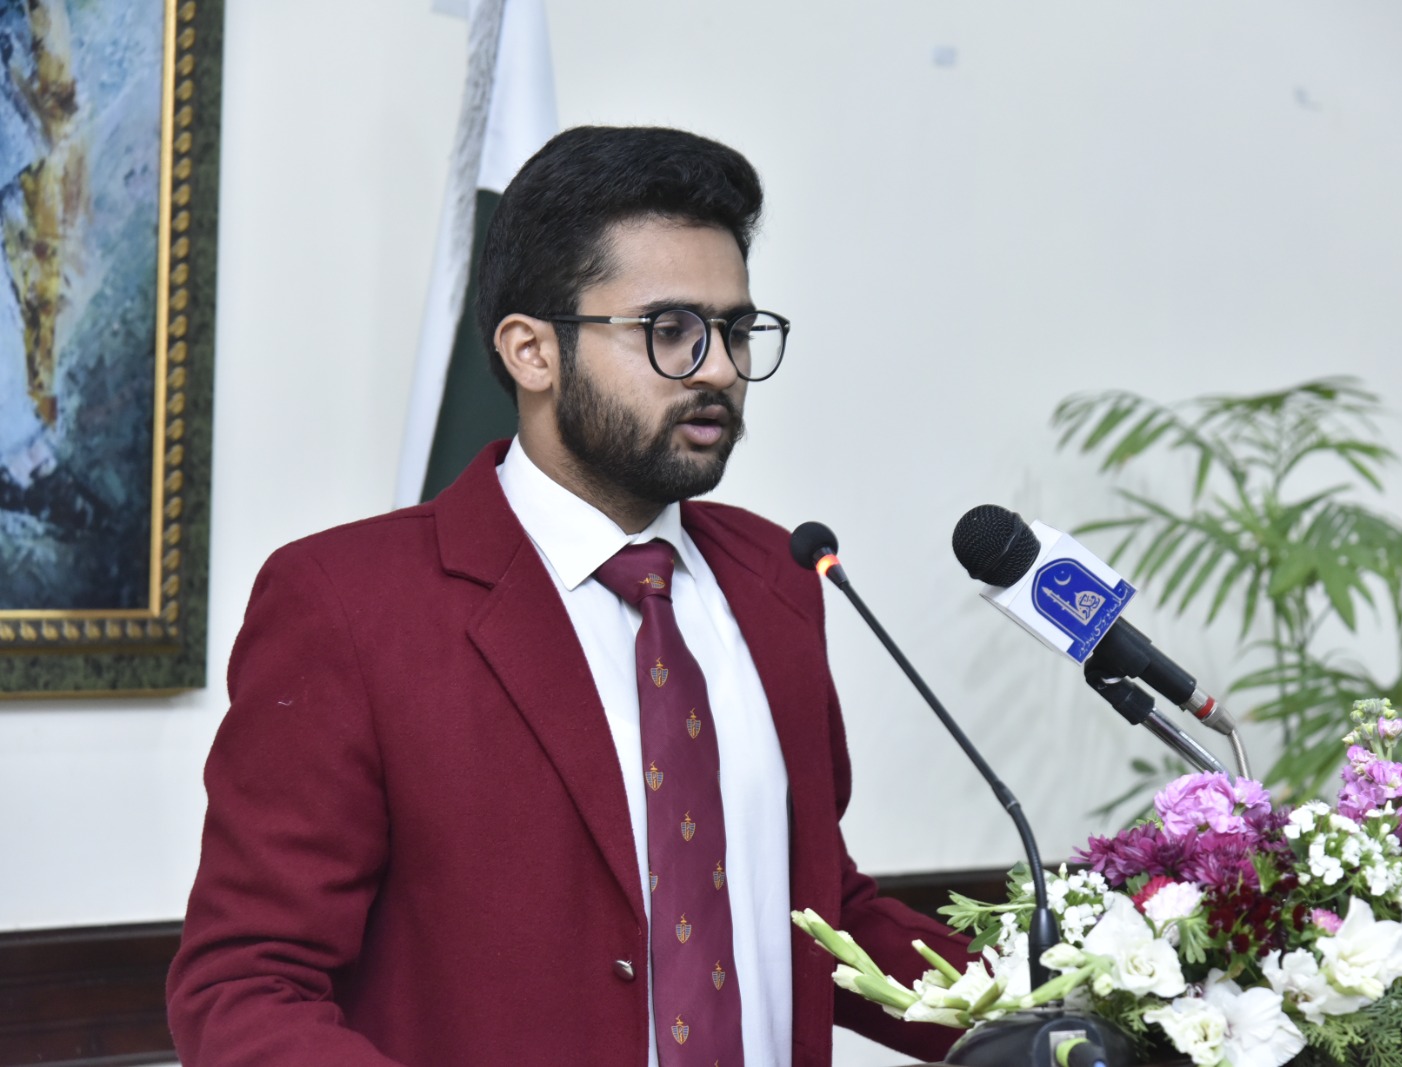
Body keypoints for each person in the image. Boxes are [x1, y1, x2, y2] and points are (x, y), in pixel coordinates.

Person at [167, 126, 970, 1066]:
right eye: (671, 331)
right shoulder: (348, 606)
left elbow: (818, 907)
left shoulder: (778, 576)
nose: (719, 367)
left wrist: (1077, 1002)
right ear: (531, 352)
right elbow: (245, 985)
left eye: (736, 330)